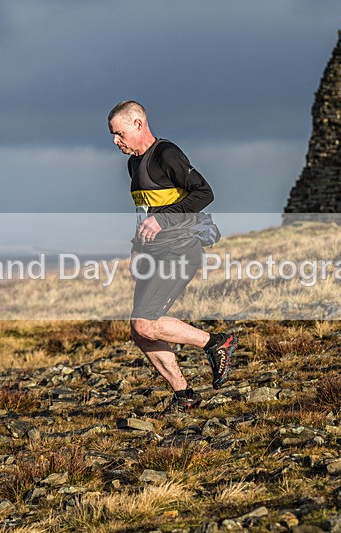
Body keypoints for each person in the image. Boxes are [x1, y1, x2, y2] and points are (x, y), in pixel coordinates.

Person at [107, 100, 237, 416]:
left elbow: (204, 193)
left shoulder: (167, 154)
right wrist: (138, 248)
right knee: (139, 331)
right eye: (112, 135)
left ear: (138, 124)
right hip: (153, 254)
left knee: (146, 322)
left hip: (180, 249)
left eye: (118, 133)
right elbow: (145, 213)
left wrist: (163, 219)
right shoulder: (133, 165)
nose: (115, 141)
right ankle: (184, 396)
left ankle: (216, 343)